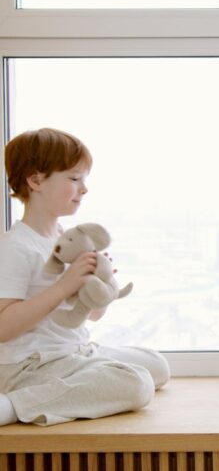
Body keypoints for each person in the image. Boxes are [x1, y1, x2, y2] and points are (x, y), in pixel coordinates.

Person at [0, 128, 169, 426]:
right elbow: (3, 327)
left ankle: (69, 384)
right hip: (29, 366)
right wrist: (64, 286)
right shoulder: (16, 246)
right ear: (36, 181)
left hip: (73, 352)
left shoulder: (66, 241)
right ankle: (13, 406)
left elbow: (90, 315)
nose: (84, 189)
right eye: (74, 179)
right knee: (137, 384)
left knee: (157, 366)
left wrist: (100, 287)